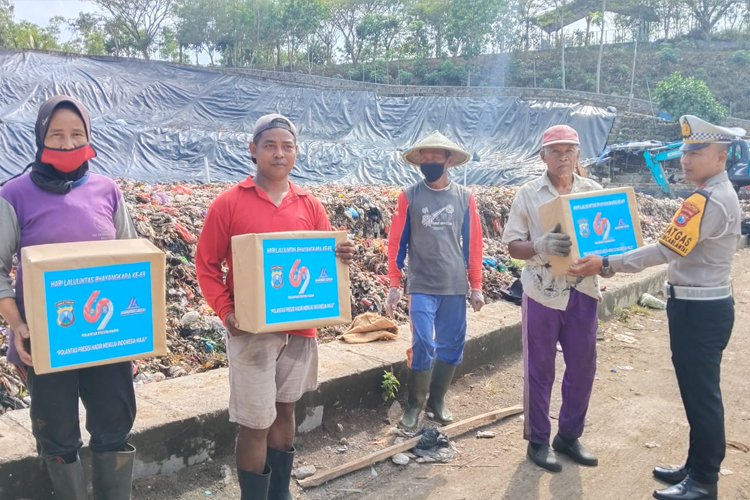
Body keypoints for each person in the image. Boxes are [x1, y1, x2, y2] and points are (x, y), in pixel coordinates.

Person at [569, 115, 744, 500]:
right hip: (705, 306)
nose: (686, 159)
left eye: (696, 151)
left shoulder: (705, 200)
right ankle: (695, 466)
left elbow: (665, 251)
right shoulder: (718, 193)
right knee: (698, 391)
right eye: (685, 151)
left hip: (699, 311)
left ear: (720, 156)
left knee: (701, 396)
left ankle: (703, 482)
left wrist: (609, 263)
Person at [195, 114, 355, 500]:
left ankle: (279, 492)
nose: (279, 153)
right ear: (253, 151)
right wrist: (227, 312)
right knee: (255, 422)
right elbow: (206, 265)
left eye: (287, 145)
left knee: (285, 412)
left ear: (296, 151)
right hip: (251, 334)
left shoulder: (310, 205)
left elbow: (325, 263)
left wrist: (342, 255)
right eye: (270, 145)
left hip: (300, 331)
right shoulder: (229, 204)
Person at [0, 95, 139, 500]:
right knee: (57, 433)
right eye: (57, 134)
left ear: (90, 137)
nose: (67, 143)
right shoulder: (14, 194)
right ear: (41, 137)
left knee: (114, 426)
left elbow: (132, 260)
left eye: (76, 134)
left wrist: (138, 328)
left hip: (107, 335)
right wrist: (18, 323)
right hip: (47, 340)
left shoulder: (107, 190)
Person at [501, 124, 601, 472]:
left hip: (583, 291)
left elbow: (608, 241)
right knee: (539, 369)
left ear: (578, 155)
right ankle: (539, 440)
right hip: (542, 292)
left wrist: (609, 263)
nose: (563, 156)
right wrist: (540, 246)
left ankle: (569, 436)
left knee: (583, 367)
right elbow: (513, 246)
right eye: (555, 151)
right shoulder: (528, 194)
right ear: (543, 156)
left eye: (569, 150)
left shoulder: (594, 192)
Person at [385, 131, 484, 431]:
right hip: (421, 283)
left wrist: (476, 285)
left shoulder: (465, 198)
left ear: (448, 160)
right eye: (424, 157)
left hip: (454, 284)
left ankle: (436, 400)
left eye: (434, 157)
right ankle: (414, 403)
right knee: (423, 342)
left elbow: (474, 245)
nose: (428, 162)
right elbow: (396, 243)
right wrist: (393, 283)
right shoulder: (409, 196)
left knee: (452, 345)